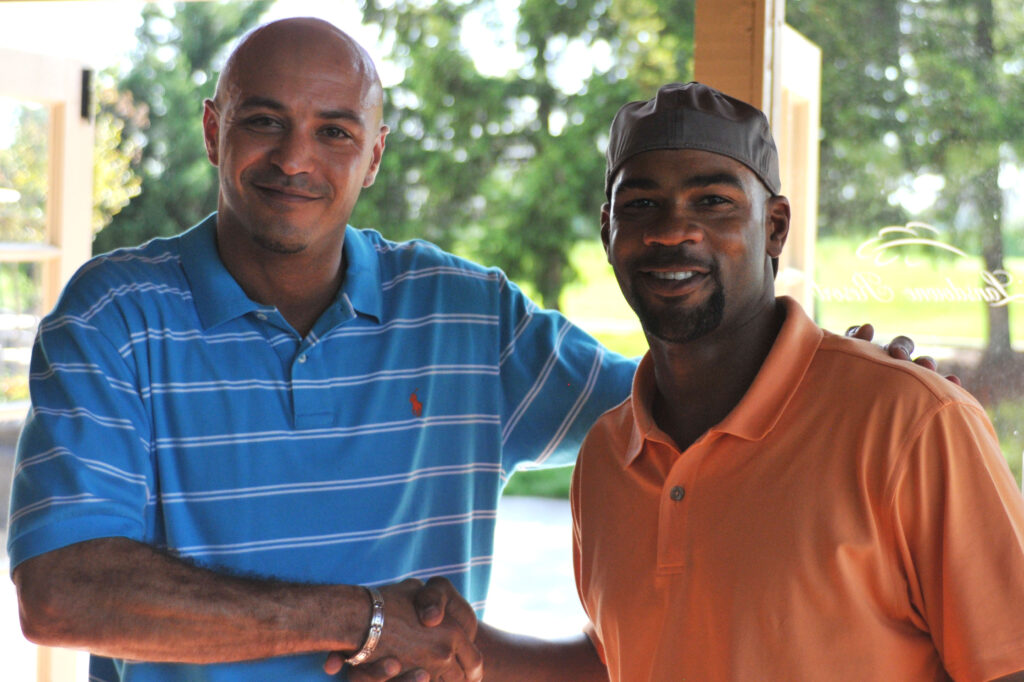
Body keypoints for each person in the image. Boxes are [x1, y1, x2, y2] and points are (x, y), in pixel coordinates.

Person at [6, 17, 944, 682]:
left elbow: (681, 417)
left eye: (334, 130)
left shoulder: (467, 315)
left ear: (373, 155)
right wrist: (368, 621)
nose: (297, 158)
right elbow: (63, 593)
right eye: (264, 120)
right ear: (215, 128)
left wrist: (835, 385)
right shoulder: (114, 316)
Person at [563, 83, 1024, 681]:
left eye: (712, 202)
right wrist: (461, 645)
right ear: (607, 231)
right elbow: (625, 661)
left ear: (775, 226)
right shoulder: (605, 458)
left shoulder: (912, 422)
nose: (673, 231)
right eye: (642, 206)